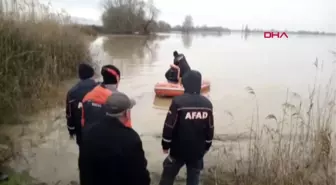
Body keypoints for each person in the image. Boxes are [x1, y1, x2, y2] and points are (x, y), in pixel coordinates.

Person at [79, 93, 150, 185]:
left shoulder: (88, 132)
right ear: (127, 113)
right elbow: (139, 173)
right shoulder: (131, 138)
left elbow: (83, 166)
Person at [159, 70, 214, 185]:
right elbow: (210, 129)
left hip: (178, 151)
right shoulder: (207, 104)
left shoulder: (178, 102)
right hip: (198, 152)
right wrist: (206, 146)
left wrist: (165, 145)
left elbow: (169, 126)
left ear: (184, 84)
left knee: (167, 177)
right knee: (193, 180)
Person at [66, 63, 97, 146]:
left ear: (79, 76)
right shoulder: (101, 88)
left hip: (81, 131)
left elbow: (69, 114)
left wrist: (71, 130)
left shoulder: (71, 92)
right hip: (99, 131)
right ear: (93, 74)